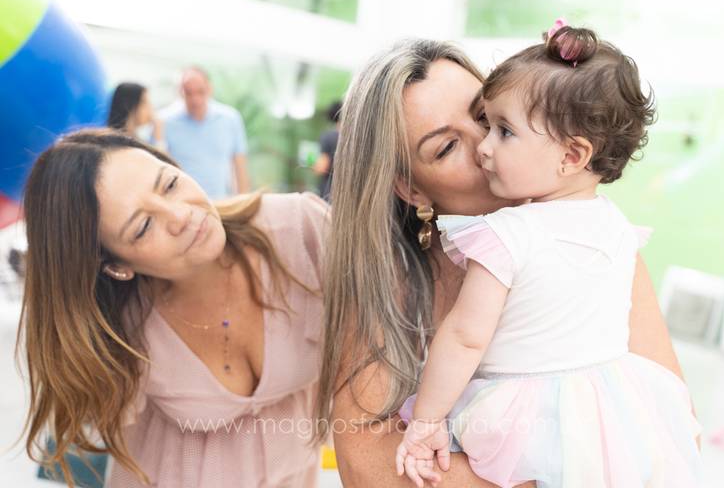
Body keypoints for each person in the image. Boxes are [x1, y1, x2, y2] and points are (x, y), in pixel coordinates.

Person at [315, 39, 696, 488]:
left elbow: (674, 432)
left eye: (488, 119)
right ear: (411, 189)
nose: (483, 145)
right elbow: (368, 469)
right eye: (446, 147)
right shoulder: (389, 283)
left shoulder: (597, 249)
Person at [18, 128, 328, 487]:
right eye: (143, 226)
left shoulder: (302, 231)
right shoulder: (124, 327)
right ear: (116, 267)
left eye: (169, 184)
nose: (181, 215)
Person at [162, 67, 251, 200]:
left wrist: (244, 201)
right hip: (182, 204)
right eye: (188, 93)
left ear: (210, 88)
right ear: (179, 92)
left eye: (200, 92)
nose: (195, 100)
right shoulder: (164, 122)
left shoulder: (230, 118)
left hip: (222, 202)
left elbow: (240, 165)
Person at [107, 82, 166, 150]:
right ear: (128, 105)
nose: (150, 108)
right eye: (145, 103)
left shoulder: (136, 138)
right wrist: (159, 139)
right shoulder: (117, 144)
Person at [312, 101, 342, 200]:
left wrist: (314, 167)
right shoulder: (353, 138)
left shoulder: (328, 137)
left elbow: (322, 167)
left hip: (329, 193)